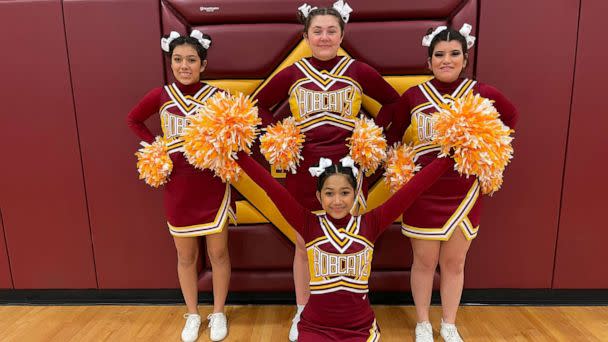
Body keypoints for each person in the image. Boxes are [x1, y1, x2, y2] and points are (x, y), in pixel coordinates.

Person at [253, 2, 400, 339]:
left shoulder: (358, 71)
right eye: (317, 31)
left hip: (348, 168)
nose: (324, 37)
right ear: (306, 36)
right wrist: (280, 135)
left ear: (342, 34)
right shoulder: (292, 73)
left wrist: (376, 137)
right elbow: (257, 105)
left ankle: (356, 308)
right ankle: (304, 310)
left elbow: (394, 103)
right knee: (305, 243)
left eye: (331, 30)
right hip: (303, 169)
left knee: (353, 240)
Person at [387, 24, 519, 342]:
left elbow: (510, 118)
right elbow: (390, 132)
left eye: (454, 54)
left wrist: (489, 153)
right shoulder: (414, 96)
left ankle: (448, 322)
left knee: (455, 262)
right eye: (439, 55)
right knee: (424, 261)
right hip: (423, 192)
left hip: (464, 191)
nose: (447, 60)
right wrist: (402, 164)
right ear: (429, 60)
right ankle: (422, 322)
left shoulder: (481, 93)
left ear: (465, 57)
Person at [236, 149, 454, 341]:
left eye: (345, 193)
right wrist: (240, 156)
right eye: (329, 193)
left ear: (355, 194)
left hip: (359, 329)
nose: (337, 200)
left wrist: (448, 158)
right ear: (318, 196)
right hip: (315, 327)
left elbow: (412, 189)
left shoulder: (371, 223)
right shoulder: (308, 224)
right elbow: (271, 188)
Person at [126, 31, 234, 342]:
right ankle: (192, 314)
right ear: (170, 63)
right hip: (178, 186)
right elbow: (133, 120)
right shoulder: (160, 95)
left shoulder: (218, 97)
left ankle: (218, 312)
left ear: (203, 63)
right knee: (185, 256)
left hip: (213, 185)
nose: (184, 66)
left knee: (219, 253)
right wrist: (157, 147)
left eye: (191, 60)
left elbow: (238, 135)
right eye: (177, 60)